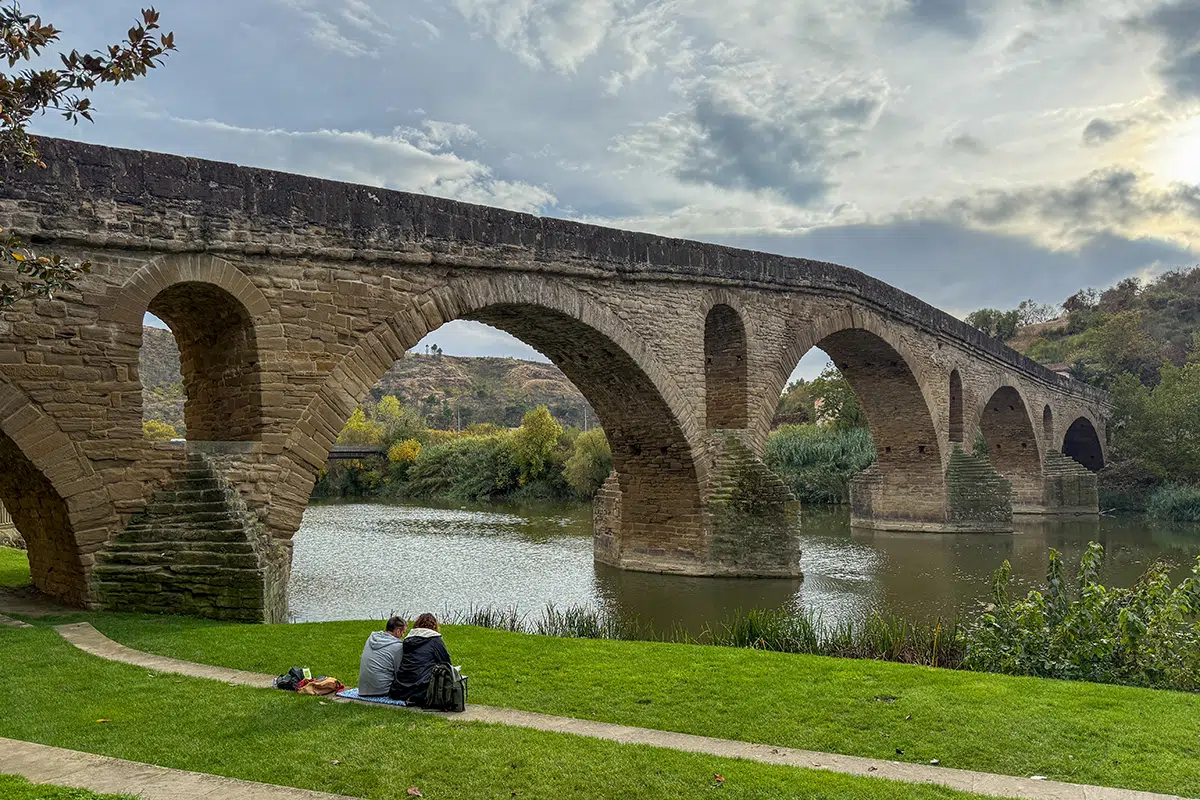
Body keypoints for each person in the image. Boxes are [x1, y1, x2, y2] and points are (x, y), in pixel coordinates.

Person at [389, 612, 452, 705]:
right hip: (422, 688)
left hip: (400, 688)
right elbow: (447, 663)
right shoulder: (435, 640)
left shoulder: (407, 640)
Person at [357, 615, 407, 697]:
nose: (403, 636)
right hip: (382, 690)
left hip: (363, 689)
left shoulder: (371, 638)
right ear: (398, 631)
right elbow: (399, 673)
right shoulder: (397, 646)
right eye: (403, 632)